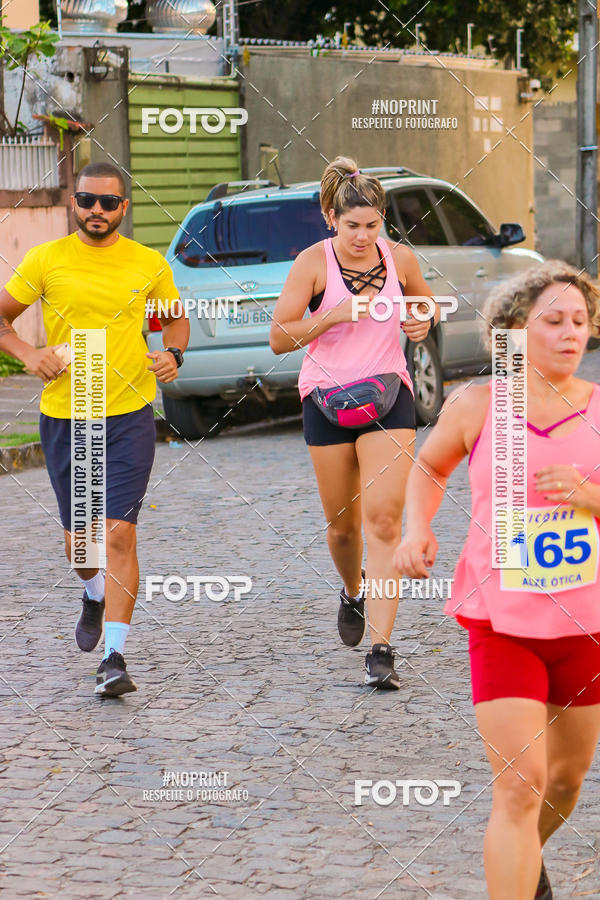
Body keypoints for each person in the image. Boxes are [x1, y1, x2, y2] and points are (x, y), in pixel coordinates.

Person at [393, 260, 600, 899]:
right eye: (554, 321)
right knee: (519, 782)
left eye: (581, 322)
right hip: (501, 620)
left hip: (584, 623)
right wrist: (414, 529)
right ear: (512, 328)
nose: (571, 333)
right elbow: (429, 468)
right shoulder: (477, 405)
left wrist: (591, 496)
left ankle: (521, 862)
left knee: (564, 781)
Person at [0, 162, 189, 698]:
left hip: (129, 412)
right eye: (88, 201)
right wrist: (28, 353)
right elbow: (2, 319)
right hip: (69, 412)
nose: (97, 211)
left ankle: (114, 656)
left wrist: (173, 352)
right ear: (74, 203)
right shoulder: (47, 259)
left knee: (120, 533)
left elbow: (174, 320)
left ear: (124, 208)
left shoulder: (147, 263)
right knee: (80, 545)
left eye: (109, 203)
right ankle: (92, 593)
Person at [270, 156, 439, 688]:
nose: (363, 236)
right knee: (344, 529)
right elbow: (279, 337)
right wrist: (337, 314)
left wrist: (421, 322)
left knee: (385, 521)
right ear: (331, 219)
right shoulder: (312, 264)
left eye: (372, 225)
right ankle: (352, 590)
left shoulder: (402, 259)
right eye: (352, 226)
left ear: (383, 220)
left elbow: (426, 306)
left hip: (389, 397)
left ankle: (382, 649)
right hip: (326, 401)